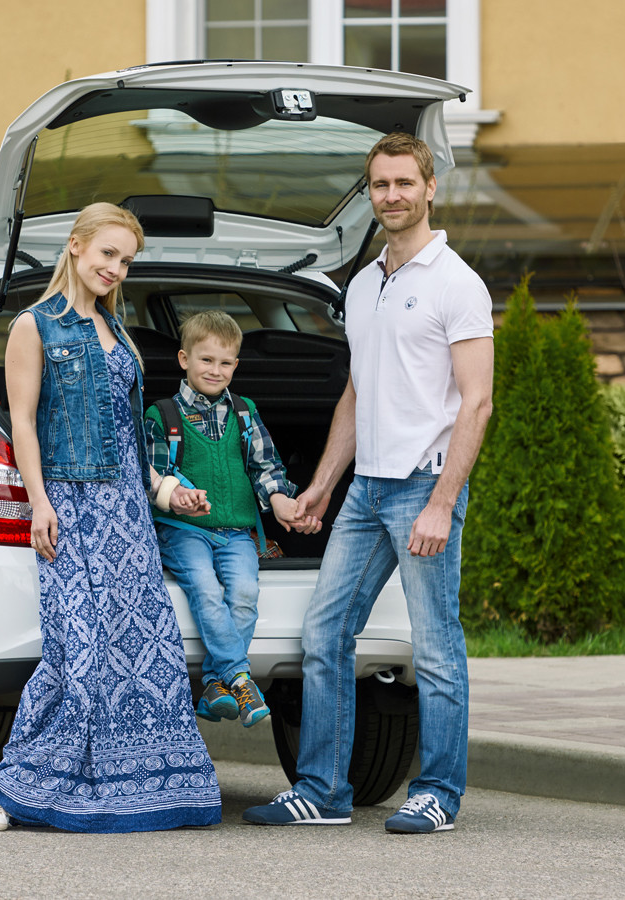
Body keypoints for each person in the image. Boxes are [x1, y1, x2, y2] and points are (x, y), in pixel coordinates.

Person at [241, 133, 494, 833]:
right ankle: (323, 790)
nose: (392, 195)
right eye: (380, 185)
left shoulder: (456, 283)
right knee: (324, 635)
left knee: (436, 643)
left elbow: (477, 402)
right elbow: (358, 394)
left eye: (404, 182)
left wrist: (443, 503)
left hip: (424, 485)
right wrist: (323, 484)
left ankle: (438, 792)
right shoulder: (362, 282)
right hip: (368, 490)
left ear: (429, 187)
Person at [0, 202, 222, 833]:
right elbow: (22, 421)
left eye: (126, 260)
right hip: (72, 505)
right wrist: (39, 502)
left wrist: (165, 492)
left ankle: (148, 785)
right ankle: (8, 789)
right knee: (74, 649)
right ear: (77, 247)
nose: (116, 268)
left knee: (140, 651)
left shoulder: (121, 332)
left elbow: (130, 436)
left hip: (129, 514)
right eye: (108, 253)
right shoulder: (35, 327)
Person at [145, 310, 317, 729]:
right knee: (205, 589)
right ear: (184, 359)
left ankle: (215, 686)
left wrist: (279, 500)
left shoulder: (243, 413)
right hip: (185, 532)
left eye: (225, 363)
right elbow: (152, 479)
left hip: (238, 531)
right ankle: (241, 678)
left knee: (242, 593)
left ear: (236, 366)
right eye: (206, 360)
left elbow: (266, 467)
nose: (215, 370)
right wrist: (176, 498)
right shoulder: (163, 416)